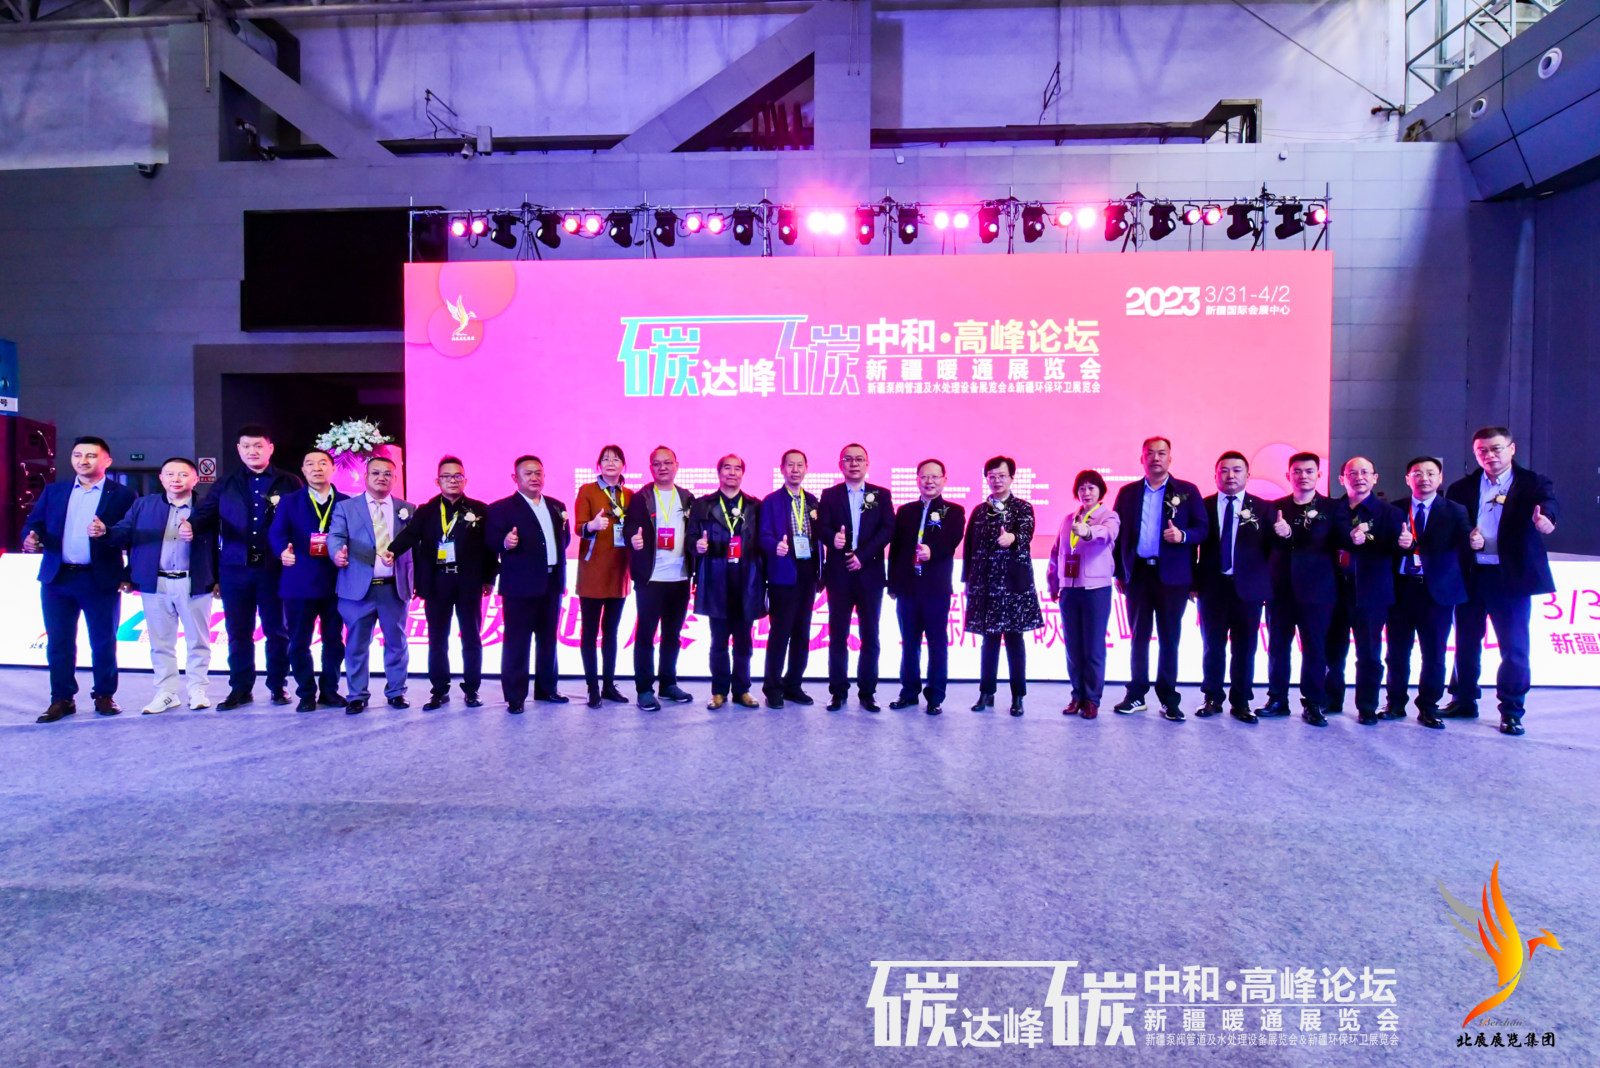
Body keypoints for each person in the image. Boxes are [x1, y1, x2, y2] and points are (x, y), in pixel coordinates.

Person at [1444, 426, 1560, 736]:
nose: (1489, 455)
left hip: (1510, 577)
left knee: (1514, 646)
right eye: (1482, 451)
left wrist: (1546, 521)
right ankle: (1463, 700)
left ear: (1511, 449)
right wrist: (1466, 539)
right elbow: (1452, 528)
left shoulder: (1533, 483)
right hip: (1471, 575)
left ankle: (1511, 710)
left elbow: (1548, 506)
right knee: (1466, 642)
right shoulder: (1461, 488)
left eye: (1496, 448)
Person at [22, 436, 138, 722]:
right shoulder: (55, 491)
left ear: (107, 461)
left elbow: (131, 536)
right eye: (77, 455)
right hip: (57, 578)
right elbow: (34, 523)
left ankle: (104, 695)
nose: (83, 461)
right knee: (59, 642)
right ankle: (62, 699)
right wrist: (31, 537)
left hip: (99, 579)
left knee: (103, 641)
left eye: (90, 455)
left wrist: (108, 536)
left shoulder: (123, 495)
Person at [187, 425, 302, 710]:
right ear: (238, 450)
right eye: (246, 446)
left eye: (258, 446)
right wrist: (189, 524)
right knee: (238, 632)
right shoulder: (225, 483)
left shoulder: (289, 482)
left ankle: (278, 686)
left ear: (270, 448)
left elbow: (302, 519)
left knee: (278, 631)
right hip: (234, 569)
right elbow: (205, 513)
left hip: (275, 569)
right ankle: (240, 688)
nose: (253, 451)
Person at [98, 457, 217, 714]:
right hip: (156, 583)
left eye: (183, 474)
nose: (176, 479)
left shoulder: (207, 508)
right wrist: (105, 532)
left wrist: (217, 579)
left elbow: (221, 546)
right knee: (161, 643)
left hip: (194, 582)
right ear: (161, 478)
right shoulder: (143, 505)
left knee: (198, 641)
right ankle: (166, 693)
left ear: (195, 479)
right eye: (170, 474)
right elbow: (124, 533)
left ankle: (197, 689)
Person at [386, 456, 497, 710]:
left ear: (465, 480)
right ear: (438, 481)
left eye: (458, 476)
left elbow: (490, 548)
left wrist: (489, 577)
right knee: (437, 639)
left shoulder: (480, 510)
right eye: (447, 476)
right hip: (436, 582)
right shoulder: (426, 510)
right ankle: (439, 690)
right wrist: (392, 551)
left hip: (469, 582)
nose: (452, 481)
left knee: (471, 637)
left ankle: (472, 690)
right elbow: (410, 535)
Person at [1111, 436, 1208, 721]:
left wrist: (1183, 535)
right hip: (1138, 574)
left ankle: (1168, 698)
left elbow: (1203, 528)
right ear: (1141, 459)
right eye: (1150, 453)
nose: (1156, 458)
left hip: (1173, 577)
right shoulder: (1128, 492)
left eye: (1161, 453)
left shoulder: (1187, 491)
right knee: (1139, 637)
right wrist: (1120, 572)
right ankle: (1136, 694)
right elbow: (1119, 535)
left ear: (1170, 458)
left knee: (1169, 638)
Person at [1384, 456, 1470, 730]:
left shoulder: (1455, 510)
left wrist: (1476, 541)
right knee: (1397, 652)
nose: (1424, 478)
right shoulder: (1395, 509)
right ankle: (1395, 703)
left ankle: (1429, 707)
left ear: (1440, 478)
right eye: (1417, 473)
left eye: (1431, 473)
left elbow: (1464, 546)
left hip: (1437, 593)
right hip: (1401, 589)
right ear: (1407, 479)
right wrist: (1399, 545)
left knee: (1434, 654)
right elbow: (1383, 548)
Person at [328, 456, 415, 715]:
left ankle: (397, 692)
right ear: (365, 477)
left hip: (393, 588)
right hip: (357, 589)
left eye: (387, 474)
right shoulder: (346, 507)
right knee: (356, 644)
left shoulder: (407, 509)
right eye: (375, 473)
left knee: (397, 643)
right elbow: (336, 536)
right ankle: (357, 695)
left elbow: (416, 545)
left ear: (395, 479)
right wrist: (337, 553)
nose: (381, 478)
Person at [486, 455, 571, 713]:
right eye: (528, 473)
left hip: (551, 582)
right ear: (515, 478)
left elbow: (563, 541)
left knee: (548, 639)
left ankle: (547, 689)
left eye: (538, 473)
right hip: (520, 586)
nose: (534, 477)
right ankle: (515, 696)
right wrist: (505, 542)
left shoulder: (556, 506)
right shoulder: (501, 508)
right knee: (517, 642)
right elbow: (490, 541)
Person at [1260, 452, 1339, 726]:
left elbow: (1338, 542)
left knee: (1315, 649)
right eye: (1297, 471)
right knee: (1277, 648)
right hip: (1280, 590)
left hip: (1318, 591)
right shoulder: (1274, 508)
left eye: (1309, 471)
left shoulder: (1332, 508)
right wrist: (1278, 535)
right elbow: (1263, 546)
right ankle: (1277, 699)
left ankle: (1314, 703)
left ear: (1319, 475)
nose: (1303, 476)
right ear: (1288, 475)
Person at [1193, 452, 1273, 724]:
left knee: (1245, 648)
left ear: (1248, 475)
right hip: (1212, 588)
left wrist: (1264, 585)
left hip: (1249, 591)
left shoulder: (1263, 508)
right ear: (1215, 475)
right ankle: (1212, 698)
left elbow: (1270, 550)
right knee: (1212, 646)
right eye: (1224, 470)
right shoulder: (1202, 506)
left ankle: (1241, 702)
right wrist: (1194, 583)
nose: (1230, 476)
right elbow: (1193, 547)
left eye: (1237, 470)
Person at [1325, 457, 1405, 725]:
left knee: (1369, 654)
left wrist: (1404, 543)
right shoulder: (1331, 509)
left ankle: (1367, 706)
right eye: (1352, 473)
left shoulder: (1390, 513)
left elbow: (1396, 550)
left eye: (1365, 472)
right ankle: (1331, 699)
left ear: (1375, 478)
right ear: (1341, 479)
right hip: (1334, 591)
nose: (1359, 477)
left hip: (1372, 593)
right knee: (1333, 651)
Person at [269, 448, 349, 712]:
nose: (317, 468)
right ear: (303, 470)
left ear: (333, 468)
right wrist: (282, 551)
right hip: (299, 581)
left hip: (337, 581)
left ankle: (330, 690)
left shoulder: (347, 502)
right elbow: (277, 533)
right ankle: (305, 693)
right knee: (299, 641)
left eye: (323, 463)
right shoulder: (289, 501)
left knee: (334, 640)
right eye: (310, 464)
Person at [962, 455, 1043, 716]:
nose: (997, 480)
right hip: (986, 585)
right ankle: (986, 693)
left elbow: (1026, 534)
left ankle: (1018, 696)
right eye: (992, 476)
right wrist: (968, 580)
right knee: (989, 641)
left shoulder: (1023, 507)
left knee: (1015, 641)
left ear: (1011, 478)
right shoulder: (979, 511)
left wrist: (1013, 537)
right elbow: (969, 548)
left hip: (1013, 586)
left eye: (1002, 476)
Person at [817, 443, 894, 712]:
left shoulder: (881, 494)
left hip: (870, 574)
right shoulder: (830, 495)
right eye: (848, 459)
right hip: (839, 574)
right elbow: (821, 527)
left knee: (870, 635)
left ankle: (868, 692)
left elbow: (888, 529)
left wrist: (863, 555)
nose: (853, 464)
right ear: (840, 465)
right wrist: (832, 539)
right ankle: (838, 692)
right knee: (838, 636)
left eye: (859, 459)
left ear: (867, 464)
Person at [887, 459, 966, 715]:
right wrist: (892, 582)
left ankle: (935, 696)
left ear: (944, 480)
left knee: (936, 643)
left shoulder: (954, 511)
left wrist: (933, 551)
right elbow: (896, 550)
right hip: (908, 589)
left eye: (934, 477)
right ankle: (909, 692)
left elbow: (952, 540)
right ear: (917, 480)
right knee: (909, 643)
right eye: (924, 477)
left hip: (936, 590)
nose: (929, 481)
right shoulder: (905, 511)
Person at [688, 454, 766, 709]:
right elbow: (690, 538)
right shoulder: (703, 505)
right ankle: (719, 691)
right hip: (716, 579)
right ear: (718, 472)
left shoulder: (755, 506)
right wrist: (697, 545)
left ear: (743, 473)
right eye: (727, 468)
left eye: (737, 468)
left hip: (747, 580)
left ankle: (742, 690)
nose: (732, 473)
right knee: (718, 641)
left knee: (744, 642)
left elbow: (763, 542)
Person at [623, 446, 695, 711]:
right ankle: (644, 689)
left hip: (680, 577)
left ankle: (668, 684)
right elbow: (630, 527)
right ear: (650, 468)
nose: (662, 467)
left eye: (667, 463)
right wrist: (633, 539)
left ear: (677, 465)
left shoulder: (687, 498)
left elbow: (694, 531)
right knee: (645, 635)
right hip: (651, 578)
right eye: (657, 463)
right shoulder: (640, 498)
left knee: (672, 635)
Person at [1047, 470, 1120, 720]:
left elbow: (1107, 535)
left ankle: (1092, 699)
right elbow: (1056, 552)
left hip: (1095, 590)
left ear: (1100, 491)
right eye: (1081, 488)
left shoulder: (1108, 517)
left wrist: (1088, 532)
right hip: (1069, 589)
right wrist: (1054, 582)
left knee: (1093, 647)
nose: (1086, 493)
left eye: (1091, 488)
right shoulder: (1068, 519)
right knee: (1073, 647)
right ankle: (1077, 695)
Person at [759, 449, 823, 709]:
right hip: (783, 573)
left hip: (808, 573)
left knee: (802, 632)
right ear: (782, 469)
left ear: (806, 469)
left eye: (800, 465)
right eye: (790, 465)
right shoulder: (771, 501)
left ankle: (793, 685)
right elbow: (762, 535)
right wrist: (775, 545)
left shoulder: (813, 501)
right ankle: (773, 688)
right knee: (780, 633)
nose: (795, 470)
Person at [572, 445, 633, 708]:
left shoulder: (630, 495)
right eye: (605, 459)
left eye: (616, 459)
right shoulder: (587, 490)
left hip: (619, 571)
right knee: (589, 632)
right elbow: (578, 527)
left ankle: (608, 685)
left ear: (623, 466)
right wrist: (592, 526)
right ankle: (592, 687)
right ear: (599, 465)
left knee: (611, 632)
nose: (610, 463)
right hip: (593, 570)